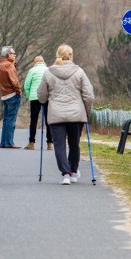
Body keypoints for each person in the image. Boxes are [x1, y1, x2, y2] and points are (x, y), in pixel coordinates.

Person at [38, 44, 94, 185]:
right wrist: (87, 112)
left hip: (56, 115)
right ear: (70, 55)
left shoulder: (48, 72)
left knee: (59, 145)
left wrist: (47, 100)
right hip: (76, 115)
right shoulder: (79, 72)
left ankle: (66, 174)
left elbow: (41, 96)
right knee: (74, 144)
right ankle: (74, 171)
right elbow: (89, 96)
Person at [23, 55, 52, 150]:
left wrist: (29, 95)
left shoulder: (32, 70)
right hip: (47, 97)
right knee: (49, 121)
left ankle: (31, 143)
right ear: (43, 62)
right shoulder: (48, 70)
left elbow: (26, 85)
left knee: (33, 121)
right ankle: (50, 143)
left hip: (35, 97)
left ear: (35, 62)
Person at [0, 45, 21, 149]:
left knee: (6, 120)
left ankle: (3, 142)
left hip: (4, 95)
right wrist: (19, 91)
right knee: (11, 120)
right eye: (13, 53)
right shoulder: (9, 66)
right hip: (12, 94)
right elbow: (15, 82)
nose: (15, 55)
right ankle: (9, 142)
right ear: (8, 54)